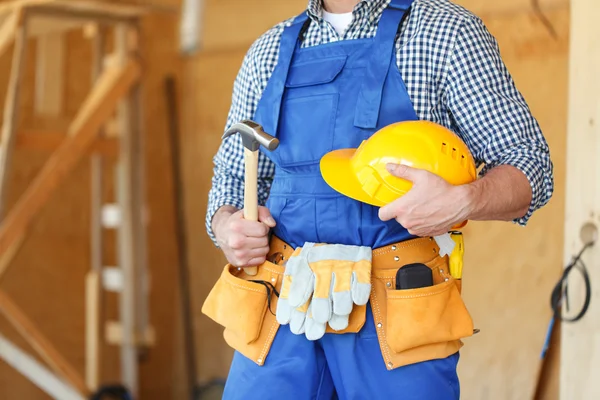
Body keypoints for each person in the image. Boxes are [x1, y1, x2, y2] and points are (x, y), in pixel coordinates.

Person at [206, 0, 554, 399]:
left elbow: (530, 164)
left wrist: (464, 199)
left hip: (400, 312)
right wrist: (227, 226)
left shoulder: (446, 32)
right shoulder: (267, 52)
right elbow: (231, 179)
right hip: (283, 308)